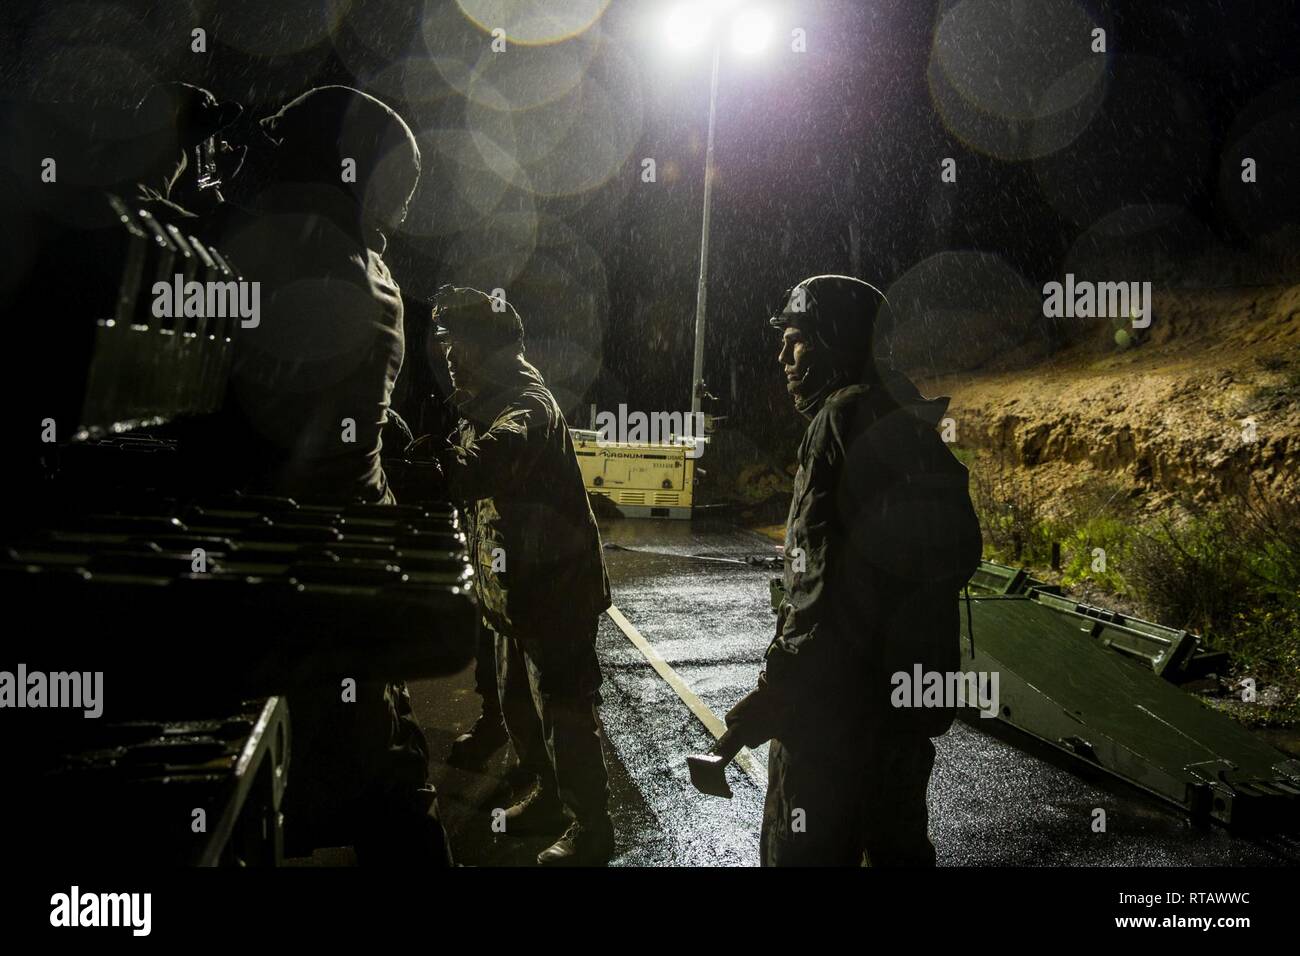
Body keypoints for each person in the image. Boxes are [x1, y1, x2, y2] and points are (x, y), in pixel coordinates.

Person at [213, 85, 451, 864]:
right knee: (390, 787)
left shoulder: (293, 261)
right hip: (345, 560)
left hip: (293, 579)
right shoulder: (367, 271)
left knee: (355, 785)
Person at [719, 274, 982, 866]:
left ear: (834, 340)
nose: (783, 357)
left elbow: (814, 582)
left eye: (796, 342)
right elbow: (962, 551)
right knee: (897, 849)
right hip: (904, 705)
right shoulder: (909, 416)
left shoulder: (836, 422)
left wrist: (777, 688)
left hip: (832, 713)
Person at [431, 286, 615, 866]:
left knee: (564, 712)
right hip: (519, 595)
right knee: (521, 707)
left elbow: (486, 464)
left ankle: (591, 828)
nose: (448, 354)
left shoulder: (526, 404)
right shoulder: (485, 397)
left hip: (555, 594)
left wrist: (424, 466)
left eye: (456, 342)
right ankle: (549, 799)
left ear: (486, 346)